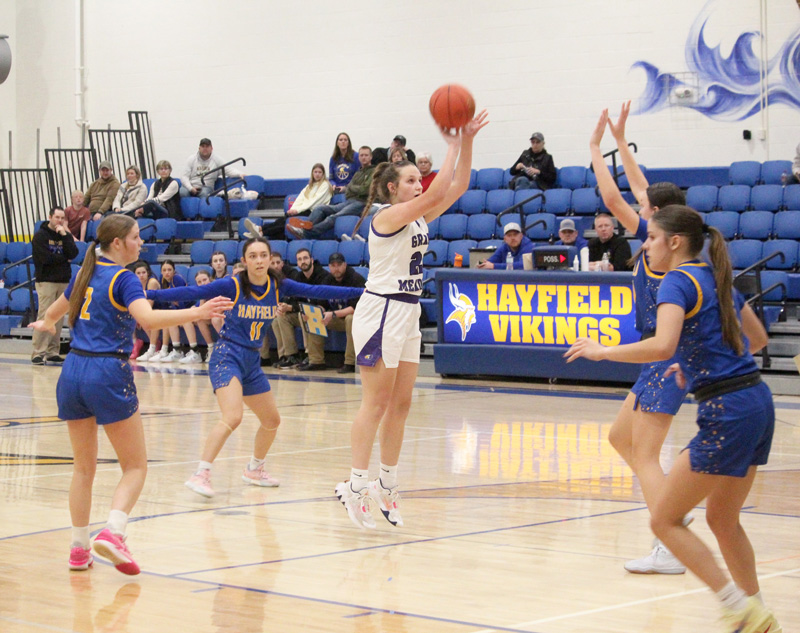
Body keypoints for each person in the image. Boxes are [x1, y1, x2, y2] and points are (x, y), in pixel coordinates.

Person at [565, 205, 781, 633]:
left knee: (663, 520)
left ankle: (738, 608)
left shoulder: (676, 283)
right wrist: (701, 361)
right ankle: (757, 613)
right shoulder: (715, 278)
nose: (645, 245)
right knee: (722, 519)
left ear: (674, 242)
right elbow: (755, 339)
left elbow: (662, 345)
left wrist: (603, 351)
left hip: (727, 412)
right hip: (757, 401)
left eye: (651, 238)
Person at [27, 214, 231, 574]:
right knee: (136, 466)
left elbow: (58, 308)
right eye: (136, 237)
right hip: (107, 371)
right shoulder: (123, 279)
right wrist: (197, 311)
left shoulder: (85, 272)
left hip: (73, 370)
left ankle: (78, 548)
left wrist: (45, 322)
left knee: (83, 469)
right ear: (118, 243)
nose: (142, 244)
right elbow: (148, 321)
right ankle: (114, 531)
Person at [336, 109, 488, 529]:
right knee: (376, 402)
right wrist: (451, 144)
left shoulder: (417, 216)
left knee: (401, 405)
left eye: (418, 180)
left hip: (407, 311)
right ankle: (355, 485)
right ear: (390, 188)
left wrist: (468, 142)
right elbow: (437, 191)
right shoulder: (386, 217)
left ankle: (386, 484)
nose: (418, 184)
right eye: (410, 180)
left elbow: (456, 188)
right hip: (381, 310)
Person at [145, 237, 364, 499]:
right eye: (253, 256)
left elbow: (318, 290)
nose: (259, 261)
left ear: (270, 259)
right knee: (233, 416)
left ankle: (254, 469)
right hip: (227, 355)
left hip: (251, 360)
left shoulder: (278, 284)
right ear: (245, 260)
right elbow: (192, 293)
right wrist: (149, 294)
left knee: (272, 421)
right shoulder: (233, 284)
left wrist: (363, 291)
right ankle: (201, 473)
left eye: (264, 255)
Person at [590, 104, 691, 574]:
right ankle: (671, 503)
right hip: (657, 359)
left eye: (645, 203)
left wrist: (596, 150)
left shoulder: (656, 247)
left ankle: (669, 542)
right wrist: (622, 139)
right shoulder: (670, 237)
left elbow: (615, 198)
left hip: (665, 355)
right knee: (618, 438)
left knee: (647, 454)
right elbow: (635, 187)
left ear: (656, 215)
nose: (639, 203)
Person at [283, 147, 374, 240]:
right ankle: (304, 227)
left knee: (333, 217)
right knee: (320, 208)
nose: (363, 157)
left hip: (362, 203)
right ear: (358, 157)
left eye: (366, 155)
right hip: (349, 201)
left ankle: (306, 233)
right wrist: (351, 189)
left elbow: (365, 190)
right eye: (361, 155)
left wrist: (350, 188)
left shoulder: (374, 172)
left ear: (371, 157)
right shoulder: (358, 173)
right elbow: (348, 191)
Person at [271, 248, 335, 370]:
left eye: (305, 258)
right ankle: (291, 356)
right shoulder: (299, 277)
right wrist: (288, 307)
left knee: (304, 313)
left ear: (311, 260)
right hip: (304, 311)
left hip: (322, 313)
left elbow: (321, 303)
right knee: (281, 316)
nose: (303, 261)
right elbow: (296, 300)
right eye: (299, 259)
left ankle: (309, 355)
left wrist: (294, 307)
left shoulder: (323, 275)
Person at [30, 206, 79, 365]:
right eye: (57, 217)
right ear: (50, 217)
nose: (59, 221)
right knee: (45, 315)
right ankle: (38, 352)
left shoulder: (65, 235)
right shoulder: (40, 236)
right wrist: (64, 259)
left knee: (58, 317)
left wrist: (65, 236)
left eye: (62, 218)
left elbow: (73, 254)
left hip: (63, 280)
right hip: (46, 280)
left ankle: (52, 351)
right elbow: (46, 259)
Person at [304, 252, 366, 374]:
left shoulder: (355, 279)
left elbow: (355, 308)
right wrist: (318, 310)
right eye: (333, 265)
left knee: (350, 319)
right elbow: (321, 303)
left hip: (355, 320)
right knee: (313, 315)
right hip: (336, 319)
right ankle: (316, 361)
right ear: (329, 267)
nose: (336, 268)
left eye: (339, 265)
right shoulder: (327, 280)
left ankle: (350, 362)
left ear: (345, 265)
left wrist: (333, 314)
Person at [258, 251, 299, 367]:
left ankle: (287, 355)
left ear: (282, 264)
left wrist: (283, 306)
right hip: (275, 309)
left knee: (278, 318)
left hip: (292, 308)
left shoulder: (292, 274)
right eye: (273, 263)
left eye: (278, 262)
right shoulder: (264, 277)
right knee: (261, 317)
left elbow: (296, 297)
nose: (276, 265)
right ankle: (266, 356)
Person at [272, 164, 334, 240]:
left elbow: (314, 201)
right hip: (304, 209)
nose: (317, 174)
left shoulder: (325, 185)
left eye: (319, 172)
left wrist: (297, 210)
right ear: (312, 173)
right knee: (282, 220)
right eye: (315, 172)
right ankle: (262, 229)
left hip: (313, 212)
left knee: (285, 222)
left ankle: (263, 231)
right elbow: (300, 198)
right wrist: (293, 209)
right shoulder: (309, 186)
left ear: (323, 174)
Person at [147, 260, 189, 363]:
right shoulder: (163, 280)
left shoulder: (177, 279)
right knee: (161, 316)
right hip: (174, 309)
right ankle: (159, 350)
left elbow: (182, 301)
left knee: (168, 318)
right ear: (161, 272)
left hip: (186, 308)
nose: (167, 272)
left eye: (169, 270)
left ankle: (172, 350)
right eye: (164, 270)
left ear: (174, 270)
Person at [180, 138, 245, 199]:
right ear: (199, 148)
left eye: (207, 146)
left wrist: (240, 174)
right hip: (191, 185)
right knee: (182, 192)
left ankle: (202, 211)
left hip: (206, 187)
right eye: (203, 146)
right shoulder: (191, 159)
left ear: (211, 148)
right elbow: (184, 176)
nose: (205, 148)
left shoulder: (217, 160)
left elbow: (228, 170)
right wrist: (190, 188)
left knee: (204, 193)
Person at [129, 260, 162, 361]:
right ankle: (135, 342)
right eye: (138, 273)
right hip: (149, 309)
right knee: (128, 313)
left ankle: (154, 345)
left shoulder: (151, 282)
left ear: (148, 273)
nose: (141, 275)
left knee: (143, 318)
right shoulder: (135, 283)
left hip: (160, 308)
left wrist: (138, 316)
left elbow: (149, 305)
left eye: (143, 272)